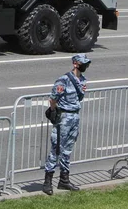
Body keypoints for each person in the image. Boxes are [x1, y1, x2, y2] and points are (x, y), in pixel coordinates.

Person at [42, 54, 91, 196]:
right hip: (63, 117)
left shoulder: (82, 80)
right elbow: (53, 99)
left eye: (87, 63)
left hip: (75, 116)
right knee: (56, 149)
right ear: (76, 64)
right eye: (84, 63)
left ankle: (64, 180)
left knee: (68, 149)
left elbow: (79, 98)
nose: (86, 66)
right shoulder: (63, 80)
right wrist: (54, 112)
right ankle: (48, 182)